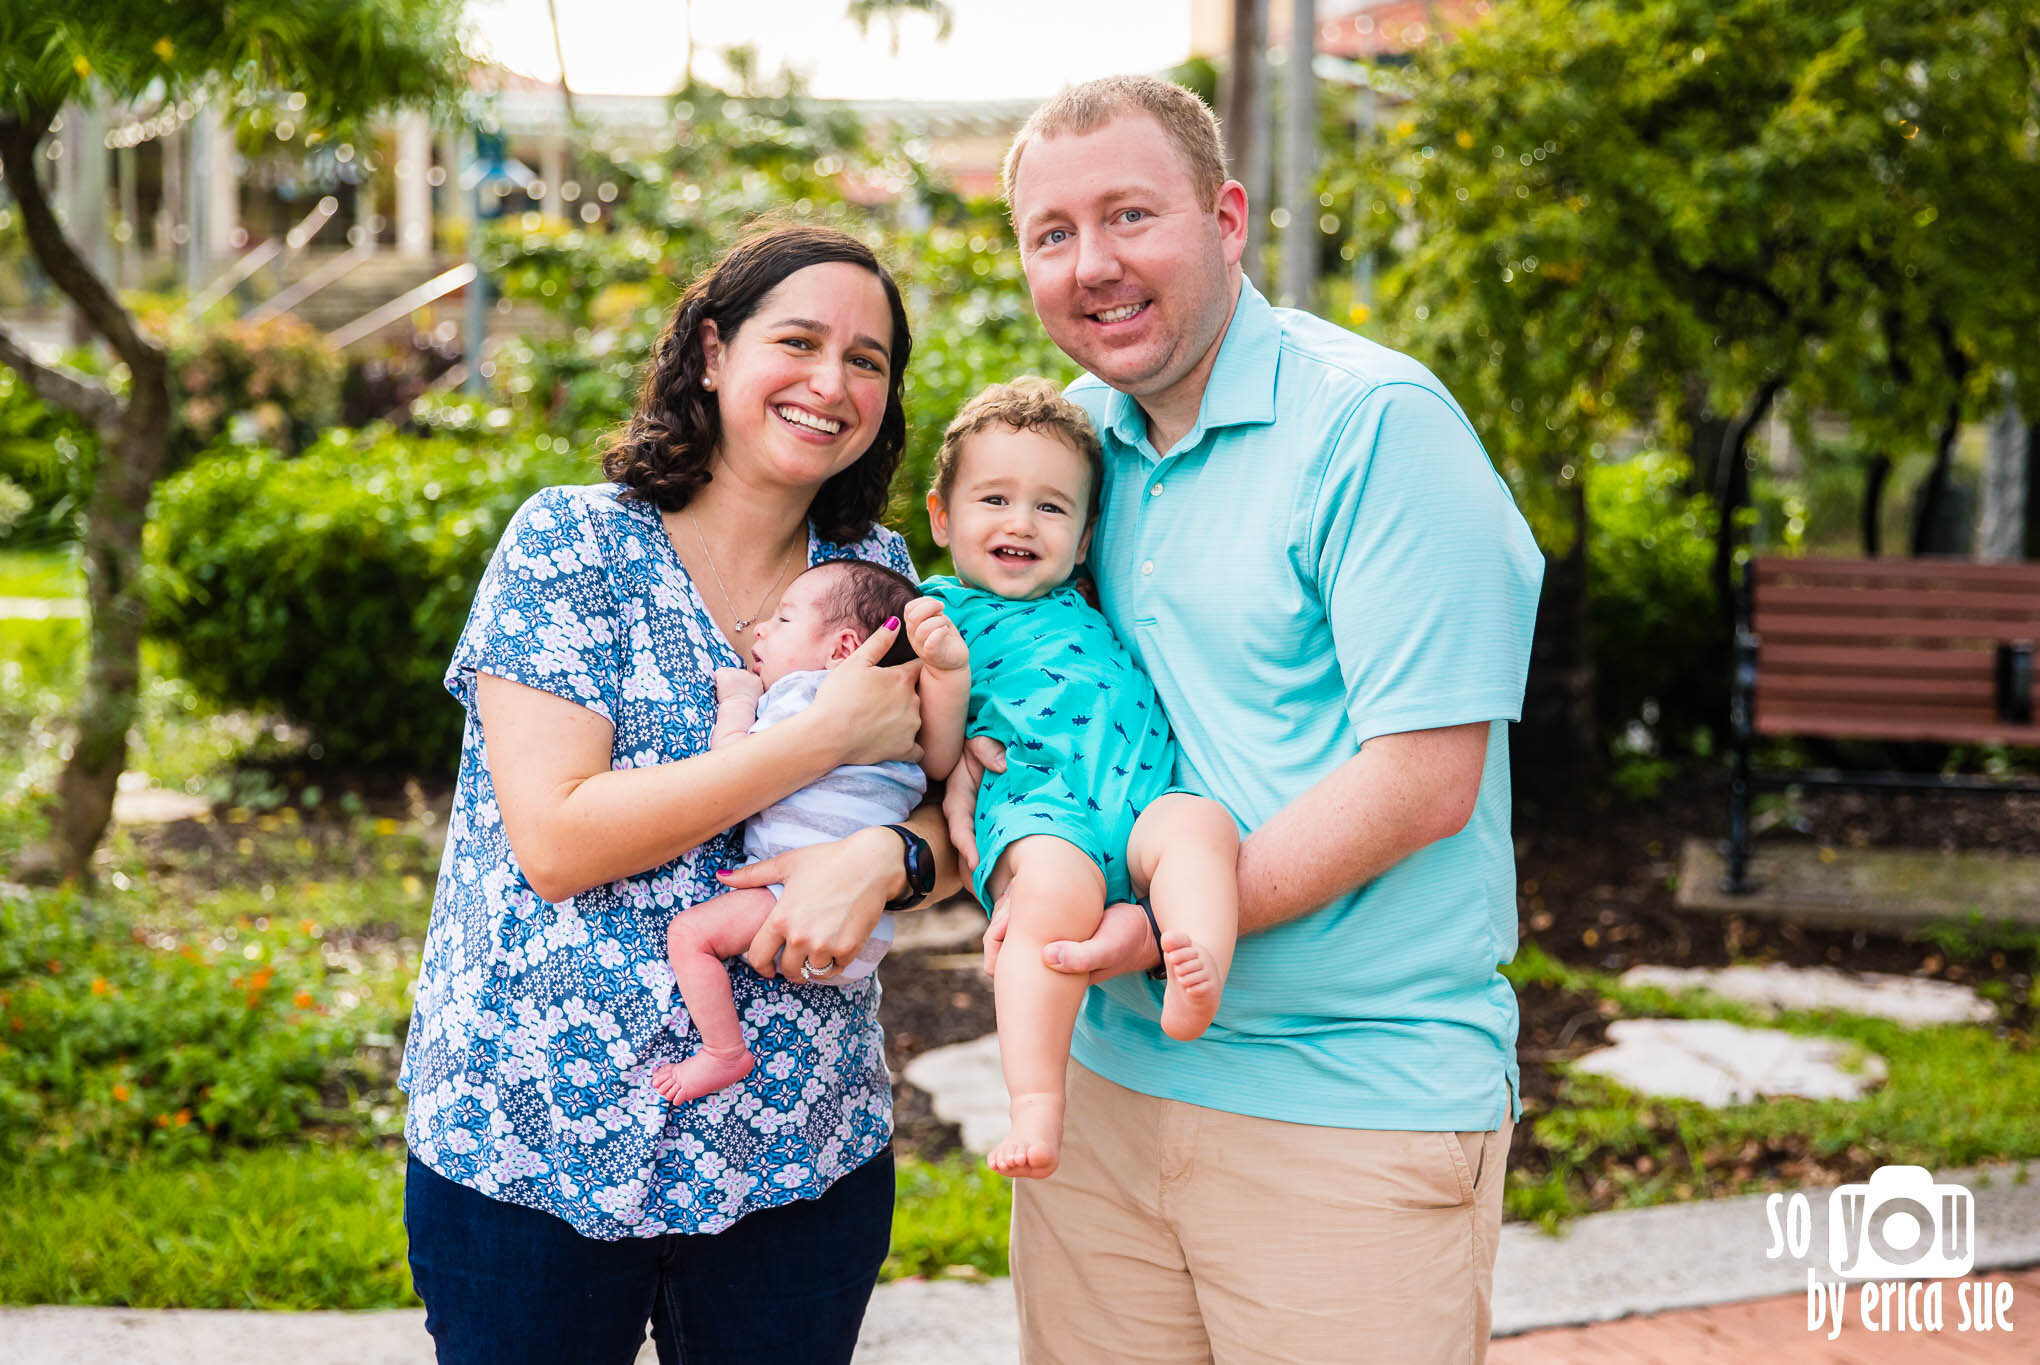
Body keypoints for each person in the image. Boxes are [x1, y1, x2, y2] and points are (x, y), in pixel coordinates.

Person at [948, 77, 1546, 1363]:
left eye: (1127, 216)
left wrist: (1162, 924)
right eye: (1051, 233)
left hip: (1349, 1109)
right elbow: (1039, 699)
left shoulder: (1375, 429)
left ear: (1225, 218)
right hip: (1106, 1097)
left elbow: (1423, 779)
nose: (1091, 264)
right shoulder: (1077, 460)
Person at [399, 224, 960, 1365]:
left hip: (796, 1148)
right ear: (711, 351)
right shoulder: (569, 545)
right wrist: (818, 743)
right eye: (796, 341)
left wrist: (892, 859)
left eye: (866, 359)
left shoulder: (879, 579)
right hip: (534, 1141)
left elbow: (958, 818)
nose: (830, 382)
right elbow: (556, 841)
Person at [904, 377, 1239, 1179]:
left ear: (1086, 537)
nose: (1021, 522)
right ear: (942, 515)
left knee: (1203, 829)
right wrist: (945, 674)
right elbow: (937, 758)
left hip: (1143, 798)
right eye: (994, 499)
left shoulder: (1085, 594)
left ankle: (1194, 965)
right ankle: (1034, 1105)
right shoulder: (937, 612)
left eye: (1051, 508)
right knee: (1047, 904)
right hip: (1040, 809)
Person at [652, 558, 925, 1105]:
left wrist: (737, 700)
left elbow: (734, 765)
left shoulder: (805, 696)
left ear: (843, 650)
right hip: (863, 916)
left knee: (689, 936)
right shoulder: (899, 711)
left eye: (783, 619)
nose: (761, 630)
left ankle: (723, 1052)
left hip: (797, 901)